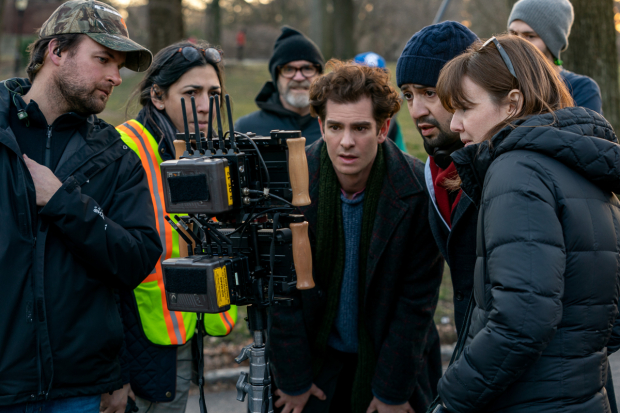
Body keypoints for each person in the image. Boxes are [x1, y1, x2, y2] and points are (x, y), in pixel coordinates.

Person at [435, 34, 620, 412]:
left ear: (512, 104)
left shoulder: (517, 171)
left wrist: (451, 398)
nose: (454, 124)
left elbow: (521, 322)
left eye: (465, 108)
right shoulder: (582, 169)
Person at [0, 0, 162, 411]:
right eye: (104, 59)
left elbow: (136, 259)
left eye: (120, 66)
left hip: (79, 391)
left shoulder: (116, 156)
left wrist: (63, 202)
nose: (115, 77)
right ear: (56, 52)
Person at [269, 59, 444, 413]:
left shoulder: (416, 189)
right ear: (320, 125)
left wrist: (393, 391)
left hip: (391, 365)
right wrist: (293, 380)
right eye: (335, 127)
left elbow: (416, 304)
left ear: (383, 128)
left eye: (361, 128)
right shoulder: (291, 185)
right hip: (316, 367)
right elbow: (281, 293)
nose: (346, 142)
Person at [99, 41, 238, 413]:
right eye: (192, 92)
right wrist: (113, 370)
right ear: (157, 97)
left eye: (214, 93)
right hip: (133, 339)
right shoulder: (122, 148)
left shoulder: (202, 150)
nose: (206, 104)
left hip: (183, 331)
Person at [396, 21, 478, 335]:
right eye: (408, 95)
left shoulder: (502, 168)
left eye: (429, 92)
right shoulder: (434, 173)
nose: (416, 110)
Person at [508, 0, 602, 113]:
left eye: (530, 36)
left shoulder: (581, 88)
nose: (518, 43)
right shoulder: (500, 82)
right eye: (513, 34)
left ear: (552, 42)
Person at [235, 26, 324, 143]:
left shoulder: (337, 126)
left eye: (307, 68)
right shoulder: (246, 129)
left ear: (319, 75)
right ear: (276, 77)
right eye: (288, 69)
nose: (299, 77)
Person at [354, 52, 406, 152]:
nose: (370, 87)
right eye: (363, 79)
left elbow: (402, 157)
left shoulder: (391, 124)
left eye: (377, 80)